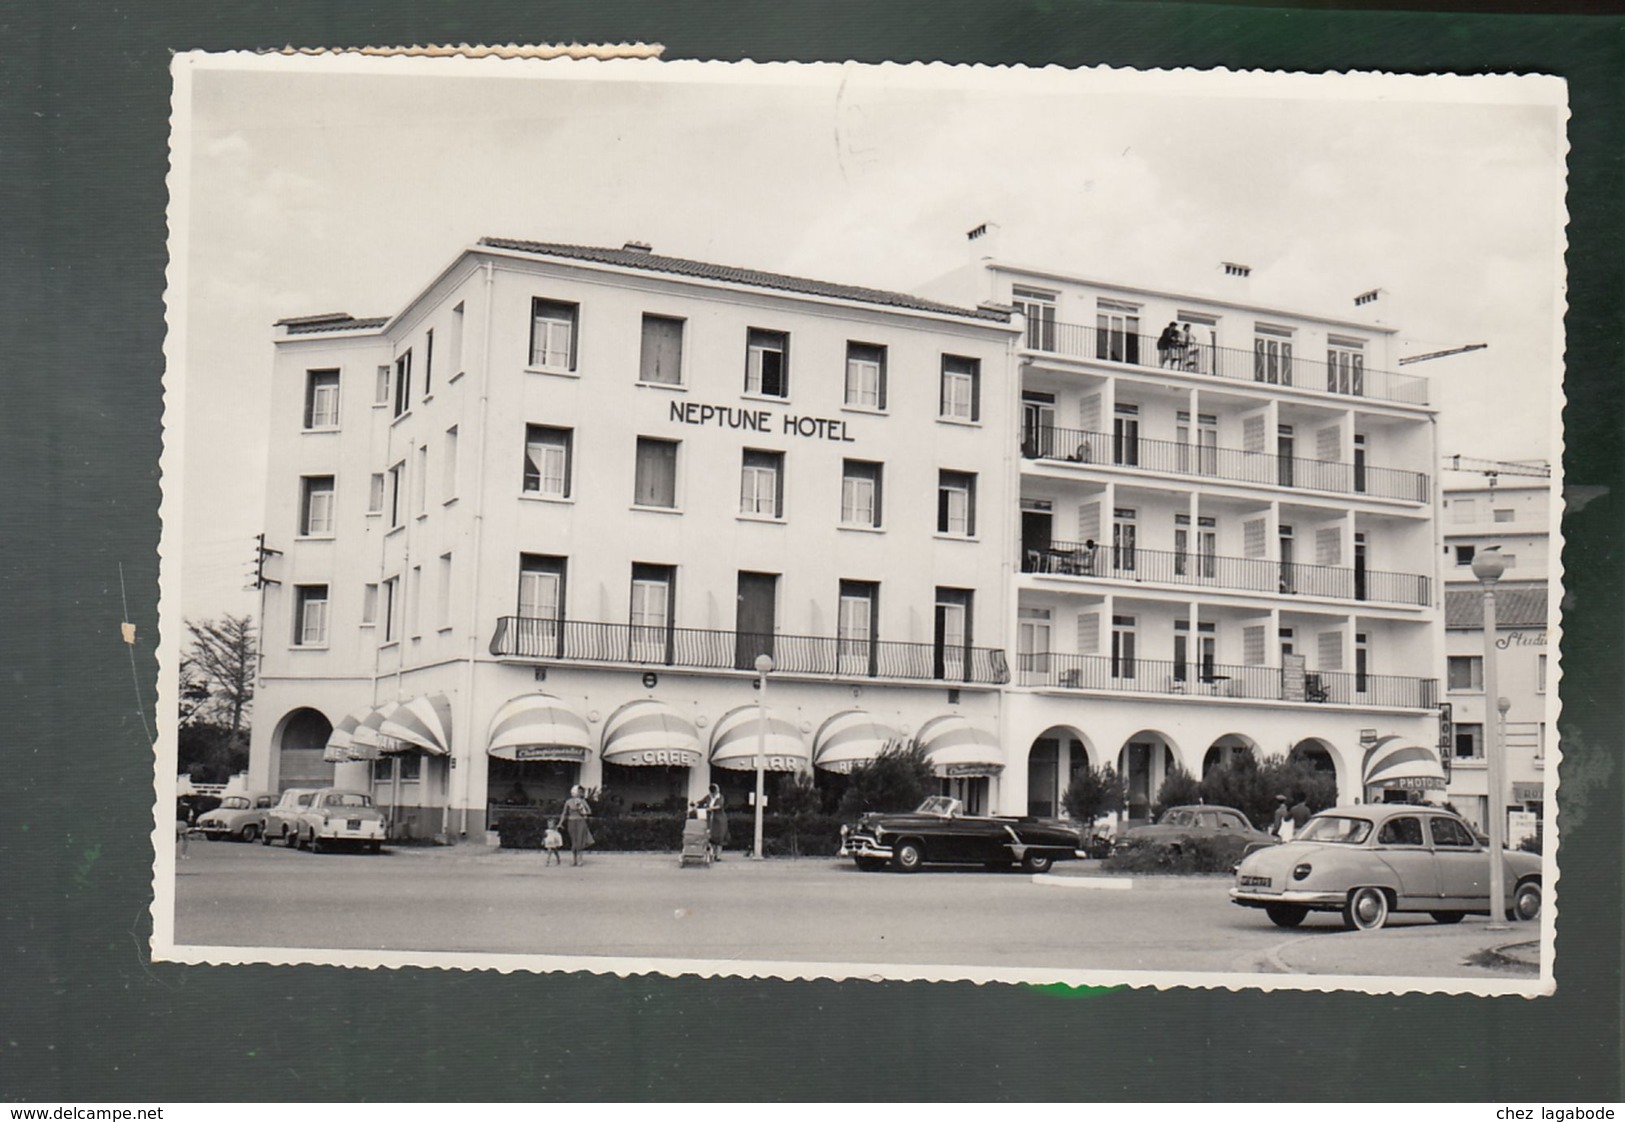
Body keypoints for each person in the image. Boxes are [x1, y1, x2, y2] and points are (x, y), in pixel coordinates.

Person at [561, 785, 594, 866]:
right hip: (571, 822)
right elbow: (564, 813)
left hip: (580, 822)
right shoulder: (568, 802)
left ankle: (580, 860)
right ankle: (574, 860)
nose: (580, 793)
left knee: (580, 840)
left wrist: (582, 810)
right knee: (574, 841)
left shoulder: (583, 801)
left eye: (581, 791)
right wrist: (560, 823)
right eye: (579, 791)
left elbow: (589, 811)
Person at [703, 783, 729, 860]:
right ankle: (713, 854)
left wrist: (711, 808)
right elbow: (701, 802)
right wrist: (695, 804)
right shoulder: (708, 797)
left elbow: (719, 806)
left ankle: (718, 855)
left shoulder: (720, 797)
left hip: (720, 820)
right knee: (712, 837)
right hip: (711, 820)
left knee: (720, 837)